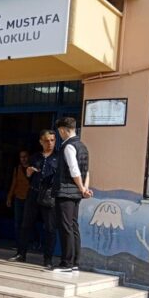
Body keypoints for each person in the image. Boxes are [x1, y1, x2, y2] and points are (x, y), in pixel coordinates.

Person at [8, 130, 58, 267]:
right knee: (25, 225)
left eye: (52, 140)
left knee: (50, 228)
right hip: (33, 194)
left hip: (49, 196)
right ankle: (21, 253)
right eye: (47, 140)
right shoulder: (35, 157)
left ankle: (48, 259)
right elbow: (27, 177)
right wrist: (29, 173)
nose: (50, 143)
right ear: (41, 142)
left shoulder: (58, 157)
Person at [52, 117, 91, 273]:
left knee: (66, 227)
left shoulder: (68, 146)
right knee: (73, 226)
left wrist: (82, 188)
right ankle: (75, 262)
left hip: (66, 191)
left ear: (62, 130)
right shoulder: (83, 146)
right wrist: (84, 188)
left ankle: (66, 263)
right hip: (75, 193)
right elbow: (86, 170)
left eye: (59, 131)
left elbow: (74, 170)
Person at [6, 149, 30, 245]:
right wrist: (9, 197)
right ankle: (18, 243)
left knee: (27, 222)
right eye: (21, 157)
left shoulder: (32, 168)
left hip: (29, 198)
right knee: (17, 222)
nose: (23, 159)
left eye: (25, 157)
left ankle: (27, 243)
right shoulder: (17, 169)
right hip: (18, 198)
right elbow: (14, 183)